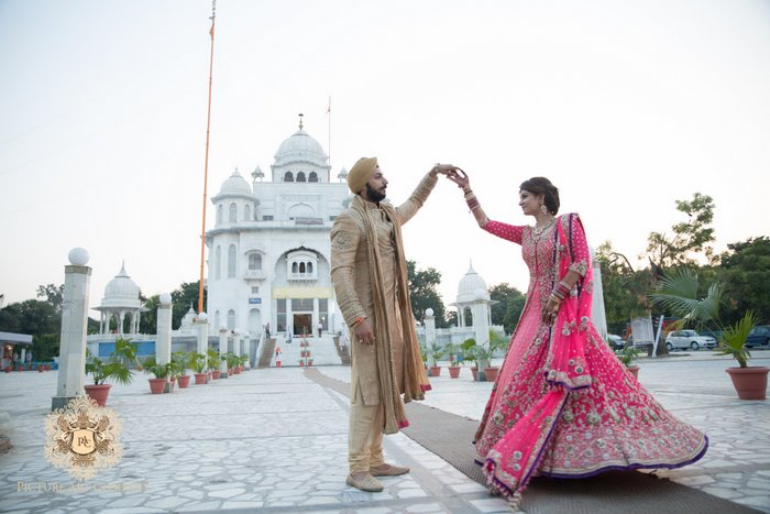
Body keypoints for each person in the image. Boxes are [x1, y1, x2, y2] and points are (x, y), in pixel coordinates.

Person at [445, 171, 708, 508]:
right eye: (519, 196)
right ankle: (526, 450)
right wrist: (467, 190)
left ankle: (590, 451)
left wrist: (558, 295)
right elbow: (485, 223)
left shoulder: (568, 225)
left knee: (580, 374)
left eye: (525, 195)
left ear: (542, 198)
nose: (520, 201)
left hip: (563, 311)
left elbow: (582, 263)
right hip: (534, 312)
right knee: (521, 374)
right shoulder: (525, 233)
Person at [331, 157, 456, 493]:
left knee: (383, 389)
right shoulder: (350, 220)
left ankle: (374, 459)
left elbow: (413, 203)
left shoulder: (387, 217)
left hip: (391, 322)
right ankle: (357, 468)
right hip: (368, 321)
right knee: (367, 394)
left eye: (383, 174)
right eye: (377, 176)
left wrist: (432, 175)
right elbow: (340, 273)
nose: (384, 180)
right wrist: (356, 317)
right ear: (361, 184)